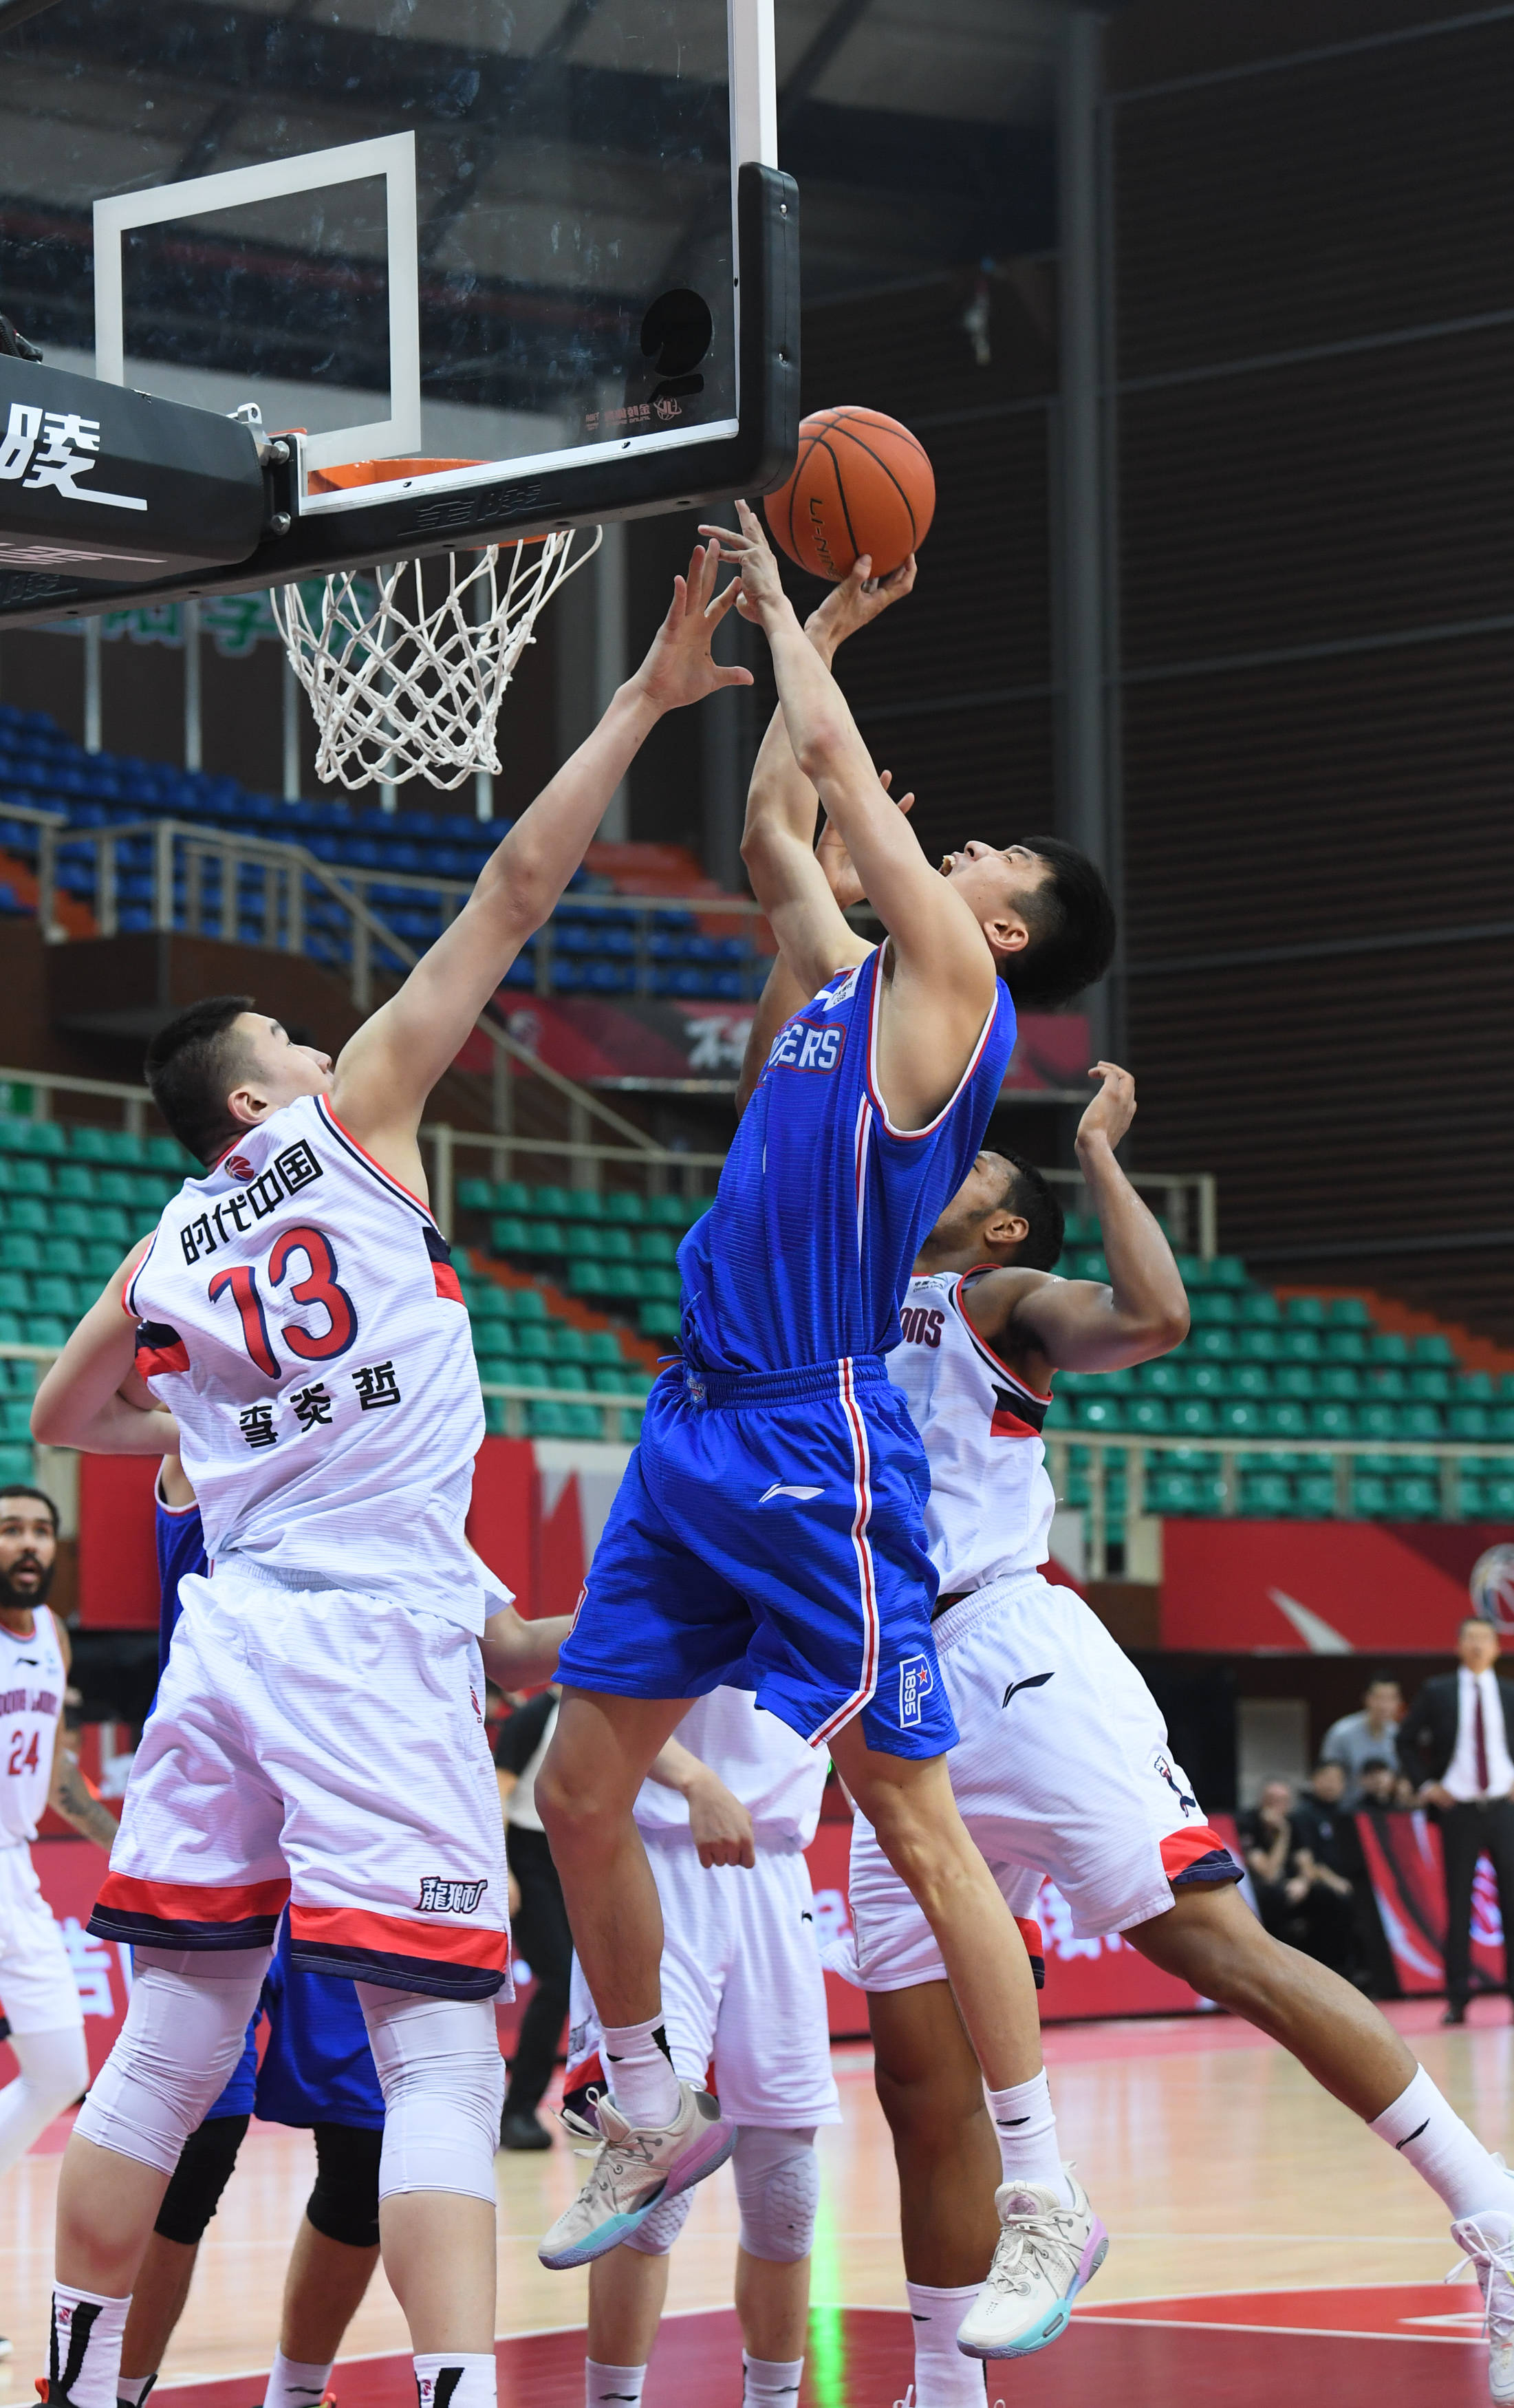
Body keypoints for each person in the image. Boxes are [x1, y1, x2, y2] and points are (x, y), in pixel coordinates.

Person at [29, 536, 748, 2408]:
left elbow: (63, 1420)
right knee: (435, 2053)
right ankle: (448, 2391)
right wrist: (639, 702)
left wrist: (187, 1432)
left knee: (166, 2047)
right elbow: (516, 885)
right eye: (292, 1040)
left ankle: (79, 2382)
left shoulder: (178, 1236)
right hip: (369, 1645)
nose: (323, 1038)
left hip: (235, 1653)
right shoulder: (353, 1128)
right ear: (269, 1094)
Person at [744, 810, 1514, 2408]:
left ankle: (1491, 2210)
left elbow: (1155, 1313)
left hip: (1015, 1656)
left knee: (1214, 1948)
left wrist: (1096, 1158)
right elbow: (805, 1029)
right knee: (910, 2069)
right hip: (888, 1690)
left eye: (973, 1167)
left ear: (1005, 1220)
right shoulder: (846, 1264)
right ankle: (945, 2385)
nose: (934, 1160)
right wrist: (810, 840)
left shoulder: (995, 1302)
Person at [533, 519, 1117, 2361]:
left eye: (990, 858)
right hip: (696, 1420)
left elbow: (849, 795)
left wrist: (800, 625)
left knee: (907, 1807)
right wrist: (836, 623)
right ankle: (643, 2095)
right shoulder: (850, 986)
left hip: (815, 1436)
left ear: (1005, 925)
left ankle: (1043, 2188)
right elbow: (787, 832)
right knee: (575, 1787)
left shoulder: (958, 992)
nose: (961, 850)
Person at [561, 1691, 839, 2408]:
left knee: (786, 2189)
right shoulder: (644, 1571)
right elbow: (595, 1696)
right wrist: (694, 1780)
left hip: (777, 1867)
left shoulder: (841, 1581)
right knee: (647, 2188)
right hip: (655, 1860)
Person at [0, 1487, 117, 2361]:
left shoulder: (50, 1634)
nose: (29, 1545)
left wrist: (122, 1843)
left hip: (15, 1867)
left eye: (41, 1529)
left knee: (60, 2065)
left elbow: (56, 1768)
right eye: (10, 1530)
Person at [1398, 1617, 1514, 2028]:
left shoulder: (1507, 1692)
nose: (1480, 1645)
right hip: (1459, 1809)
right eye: (1472, 1638)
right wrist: (1427, 1785)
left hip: (1503, 1807)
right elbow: (1405, 1740)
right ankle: (1458, 1999)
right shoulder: (1438, 1691)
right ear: (1459, 1645)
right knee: (1459, 1903)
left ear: (1498, 1648)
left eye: (1487, 1639)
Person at [493, 1685, 572, 2151]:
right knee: (561, 1980)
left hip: (577, 1855)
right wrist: (502, 1869)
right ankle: (518, 2109)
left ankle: (593, 2104)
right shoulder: (535, 1717)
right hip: (528, 1858)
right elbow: (497, 1794)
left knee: (598, 1985)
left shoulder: (607, 1713)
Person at [1286, 1760, 1363, 1983]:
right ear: (1314, 1780)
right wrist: (1335, 1881)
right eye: (1326, 1778)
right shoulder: (1303, 1815)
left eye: (1337, 1780)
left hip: (1349, 1880)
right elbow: (1308, 1860)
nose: (1332, 1784)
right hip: (1317, 1882)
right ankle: (1334, 1972)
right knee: (1333, 1898)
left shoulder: (1348, 1814)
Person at [1321, 1675, 1405, 1811]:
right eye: (1379, 1698)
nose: (1384, 1706)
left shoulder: (1398, 1734)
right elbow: (1327, 1775)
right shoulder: (1342, 1733)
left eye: (1391, 1699)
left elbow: (1401, 1778)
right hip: (1346, 1811)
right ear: (1367, 1699)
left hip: (1386, 1810)